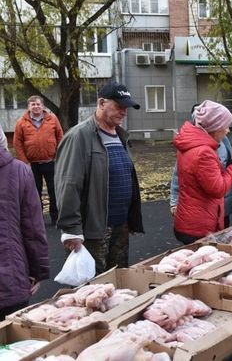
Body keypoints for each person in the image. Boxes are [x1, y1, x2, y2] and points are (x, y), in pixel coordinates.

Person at [55, 81, 144, 274]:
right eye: (119, 106)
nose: (124, 111)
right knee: (92, 286)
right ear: (102, 103)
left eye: (126, 107)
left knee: (119, 281)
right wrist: (71, 229)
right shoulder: (79, 137)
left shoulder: (120, 135)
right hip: (93, 230)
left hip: (120, 226)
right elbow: (68, 184)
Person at [173, 100, 232, 244]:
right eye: (226, 126)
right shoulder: (204, 152)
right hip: (200, 227)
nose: (228, 130)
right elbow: (218, 188)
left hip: (191, 221)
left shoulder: (193, 145)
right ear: (215, 128)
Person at [0, 145, 49, 320]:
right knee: (13, 344)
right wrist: (38, 271)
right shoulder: (19, 171)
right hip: (10, 280)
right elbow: (33, 228)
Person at [14, 95, 64, 225]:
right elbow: (17, 144)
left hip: (51, 162)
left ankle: (55, 217)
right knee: (35, 193)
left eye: (38, 104)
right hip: (32, 165)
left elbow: (60, 137)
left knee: (54, 191)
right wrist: (25, 162)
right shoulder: (21, 122)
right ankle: (38, 219)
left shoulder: (52, 119)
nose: (36, 106)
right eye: (33, 104)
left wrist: (58, 157)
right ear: (29, 107)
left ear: (43, 106)